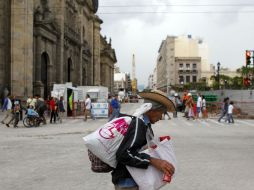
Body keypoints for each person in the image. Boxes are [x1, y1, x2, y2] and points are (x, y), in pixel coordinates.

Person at [111, 90, 176, 190]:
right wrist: (153, 161)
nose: (161, 117)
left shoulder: (145, 125)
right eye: (161, 113)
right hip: (128, 183)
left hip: (135, 180)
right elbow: (123, 154)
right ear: (152, 110)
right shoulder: (138, 123)